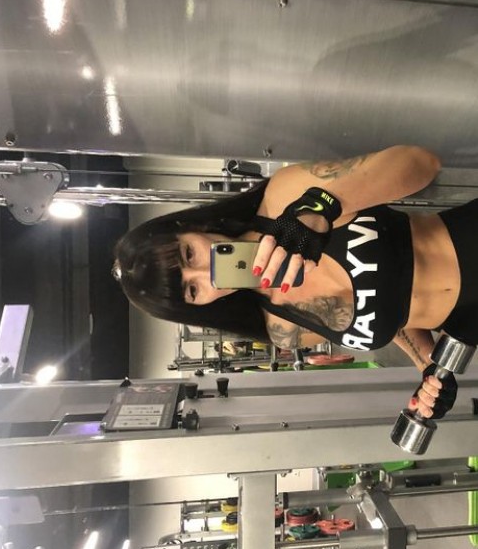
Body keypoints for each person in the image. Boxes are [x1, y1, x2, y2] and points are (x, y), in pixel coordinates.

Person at [114, 144, 475, 419]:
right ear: (200, 307)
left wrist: (321, 208)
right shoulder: (282, 328)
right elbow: (392, 311)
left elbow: (421, 163)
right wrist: (428, 367)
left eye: (189, 254)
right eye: (193, 290)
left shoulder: (283, 197)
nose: (206, 274)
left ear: (192, 228)